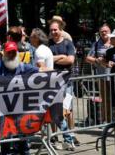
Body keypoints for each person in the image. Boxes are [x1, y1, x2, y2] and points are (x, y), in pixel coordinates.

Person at [48, 17, 77, 150]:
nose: (53, 32)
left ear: (60, 30)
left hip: (67, 81)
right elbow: (44, 61)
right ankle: (55, 136)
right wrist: (60, 57)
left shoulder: (67, 43)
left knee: (66, 110)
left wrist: (52, 60)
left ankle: (69, 136)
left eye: (55, 30)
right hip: (52, 82)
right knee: (54, 110)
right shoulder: (48, 44)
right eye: (51, 30)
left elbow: (70, 60)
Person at [85, 24, 113, 122]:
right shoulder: (96, 44)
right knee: (105, 99)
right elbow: (88, 58)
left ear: (110, 32)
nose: (104, 33)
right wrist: (98, 61)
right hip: (102, 76)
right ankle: (106, 120)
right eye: (102, 31)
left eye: (106, 31)